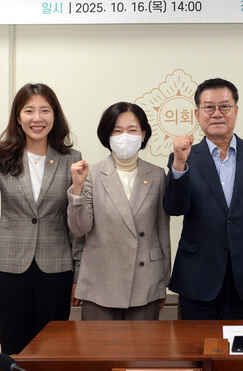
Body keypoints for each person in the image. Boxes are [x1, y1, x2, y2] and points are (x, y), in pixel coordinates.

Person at [0, 83, 83, 355]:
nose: (37, 118)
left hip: (56, 270)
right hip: (10, 268)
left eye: (45, 110)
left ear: (55, 116)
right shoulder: (2, 156)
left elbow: (76, 224)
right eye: (29, 111)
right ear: (18, 117)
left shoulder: (71, 159)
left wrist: (78, 274)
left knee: (53, 351)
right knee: (13, 347)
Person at [163, 78, 243, 320]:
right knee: (195, 343)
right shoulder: (184, 157)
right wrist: (179, 164)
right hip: (197, 277)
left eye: (224, 106)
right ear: (197, 114)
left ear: (235, 111)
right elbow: (174, 208)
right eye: (209, 107)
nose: (217, 113)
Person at [67, 102, 171, 320]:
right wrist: (77, 189)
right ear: (108, 135)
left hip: (146, 281)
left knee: (144, 343)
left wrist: (163, 280)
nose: (125, 137)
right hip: (100, 280)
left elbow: (162, 232)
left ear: (143, 134)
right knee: (100, 343)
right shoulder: (91, 174)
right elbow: (79, 228)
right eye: (117, 131)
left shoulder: (157, 175)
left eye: (132, 130)